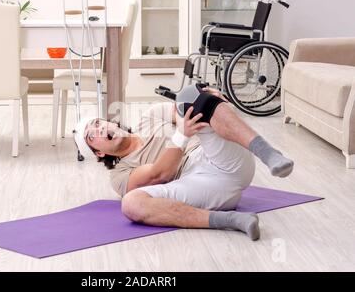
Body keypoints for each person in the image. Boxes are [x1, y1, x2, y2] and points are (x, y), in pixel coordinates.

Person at [73, 87, 294, 240]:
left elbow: (183, 109)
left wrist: (210, 100)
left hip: (222, 159)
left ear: (107, 121)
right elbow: (159, 175)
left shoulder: (148, 118)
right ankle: (231, 220)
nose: (100, 129)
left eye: (97, 123)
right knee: (131, 203)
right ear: (99, 153)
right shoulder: (120, 175)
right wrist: (181, 133)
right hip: (201, 188)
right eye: (92, 137)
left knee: (195, 98)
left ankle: (268, 153)